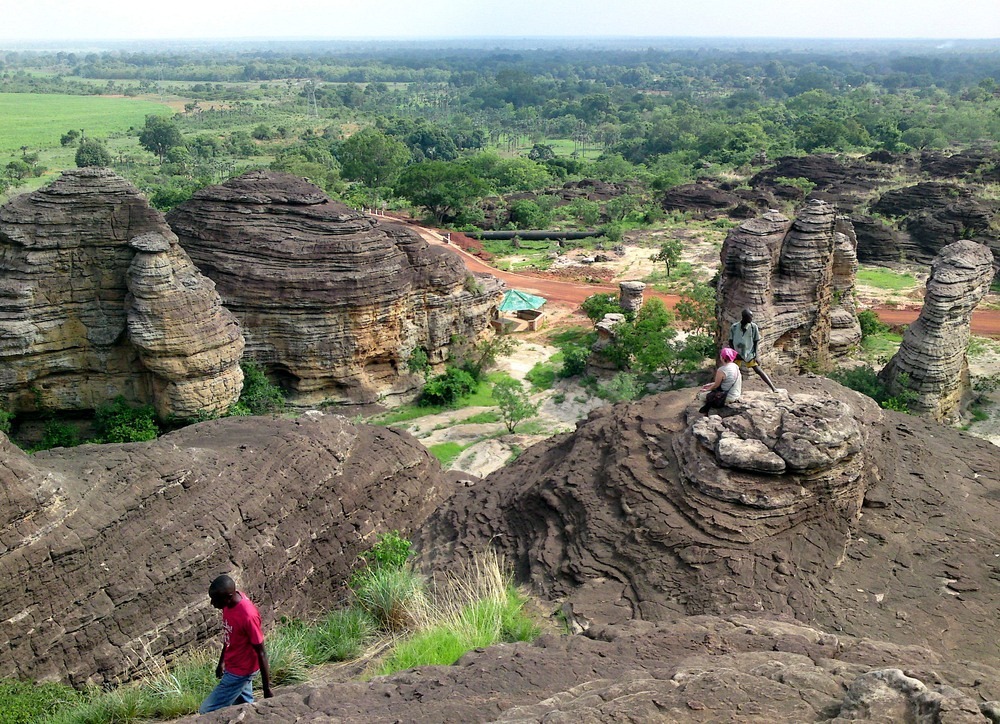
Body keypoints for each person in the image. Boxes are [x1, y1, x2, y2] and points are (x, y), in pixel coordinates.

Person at [199, 575, 273, 714]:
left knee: (207, 710)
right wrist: (222, 661)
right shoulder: (229, 604)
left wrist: (267, 690)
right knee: (244, 706)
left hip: (241, 671)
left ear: (228, 597)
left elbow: (261, 652)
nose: (212, 603)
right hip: (233, 664)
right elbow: (230, 635)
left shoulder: (248, 616)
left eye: (215, 599)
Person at [728, 308, 778, 393]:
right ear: (744, 317)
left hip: (749, 352)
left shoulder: (753, 327)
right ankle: (731, 391)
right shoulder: (734, 327)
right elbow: (730, 341)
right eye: (750, 317)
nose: (751, 318)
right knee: (733, 372)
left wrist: (756, 355)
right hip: (737, 353)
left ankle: (773, 388)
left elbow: (756, 341)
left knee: (758, 370)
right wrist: (734, 353)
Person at [700, 347, 742, 414]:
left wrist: (707, 389)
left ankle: (707, 413)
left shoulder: (722, 370)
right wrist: (710, 384)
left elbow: (716, 385)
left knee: (701, 396)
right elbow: (727, 381)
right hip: (736, 393)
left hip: (727, 396)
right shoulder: (735, 366)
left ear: (722, 357)